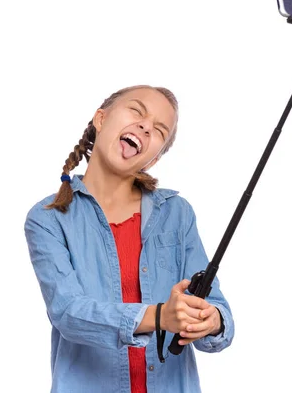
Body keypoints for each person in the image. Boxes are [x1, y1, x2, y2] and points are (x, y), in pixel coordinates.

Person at [24, 85, 234, 393]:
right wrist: (159, 316)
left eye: (160, 130)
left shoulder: (177, 214)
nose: (146, 126)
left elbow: (215, 307)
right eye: (137, 110)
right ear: (101, 118)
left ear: (154, 159)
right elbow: (68, 313)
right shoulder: (48, 219)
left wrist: (211, 320)